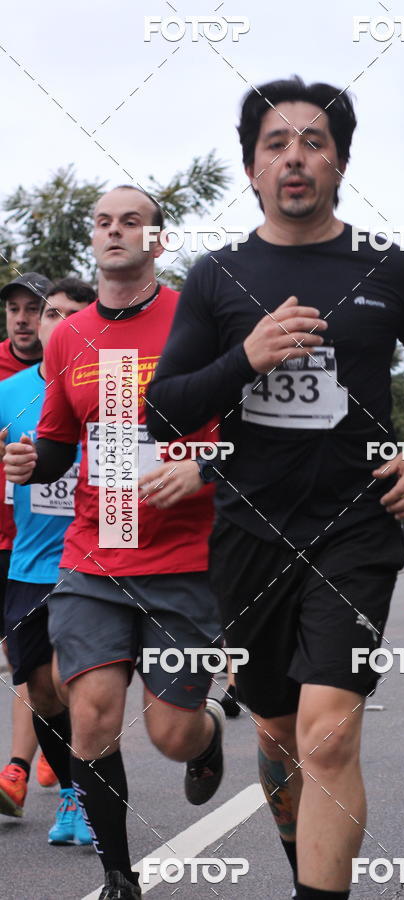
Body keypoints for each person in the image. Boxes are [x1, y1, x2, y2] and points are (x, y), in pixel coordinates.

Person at [146, 77, 404, 900]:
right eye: (276, 144)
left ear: (341, 163)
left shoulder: (393, 269)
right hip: (247, 534)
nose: (295, 157)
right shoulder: (218, 277)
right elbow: (159, 411)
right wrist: (244, 358)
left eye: (314, 142)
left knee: (328, 737)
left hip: (355, 528)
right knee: (283, 735)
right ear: (251, 168)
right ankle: (296, 845)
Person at [4, 186, 225, 900]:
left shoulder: (198, 320)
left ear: (157, 240)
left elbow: (247, 436)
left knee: (170, 732)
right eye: (103, 222)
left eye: (131, 221)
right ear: (92, 240)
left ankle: (209, 733)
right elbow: (63, 444)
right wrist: (34, 459)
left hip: (184, 556)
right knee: (91, 715)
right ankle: (119, 875)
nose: (114, 231)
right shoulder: (68, 336)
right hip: (95, 553)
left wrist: (199, 468)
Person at [0, 278, 95, 843]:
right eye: (52, 316)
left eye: (76, 316)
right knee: (38, 687)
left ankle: (82, 795)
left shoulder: (113, 388)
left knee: (74, 678)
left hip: (92, 557)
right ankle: (68, 787)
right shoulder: (12, 392)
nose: (62, 325)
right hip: (29, 561)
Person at [0, 271, 56, 816]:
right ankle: (45, 741)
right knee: (21, 661)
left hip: (49, 544)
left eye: (35, 309)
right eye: (14, 308)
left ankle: (26, 764)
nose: (23, 319)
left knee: (44, 662)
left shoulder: (89, 373)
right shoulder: (3, 385)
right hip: (8, 541)